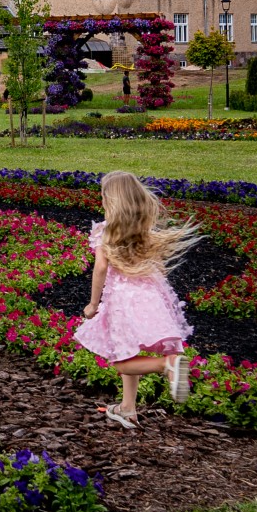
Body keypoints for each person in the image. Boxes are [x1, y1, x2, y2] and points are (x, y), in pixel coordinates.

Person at [74, 171, 198, 428]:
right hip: (151, 298)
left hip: (122, 302)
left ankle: (169, 364)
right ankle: (127, 408)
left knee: (122, 362)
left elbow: (100, 269)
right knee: (130, 352)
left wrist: (93, 304)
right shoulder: (143, 229)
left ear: (111, 200)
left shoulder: (104, 231)